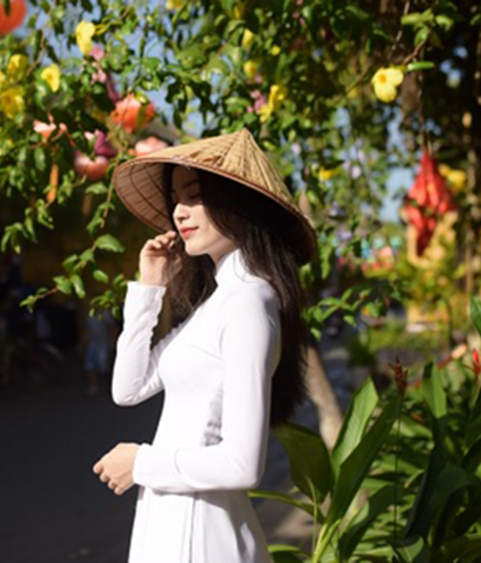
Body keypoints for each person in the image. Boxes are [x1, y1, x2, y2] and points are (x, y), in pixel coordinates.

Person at [92, 129, 317, 563]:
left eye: (193, 195)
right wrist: (149, 288)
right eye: (175, 197)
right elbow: (128, 389)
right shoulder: (216, 304)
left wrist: (142, 463)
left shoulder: (249, 301)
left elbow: (242, 463)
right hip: (170, 517)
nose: (178, 211)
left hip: (202, 535)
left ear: (237, 203)